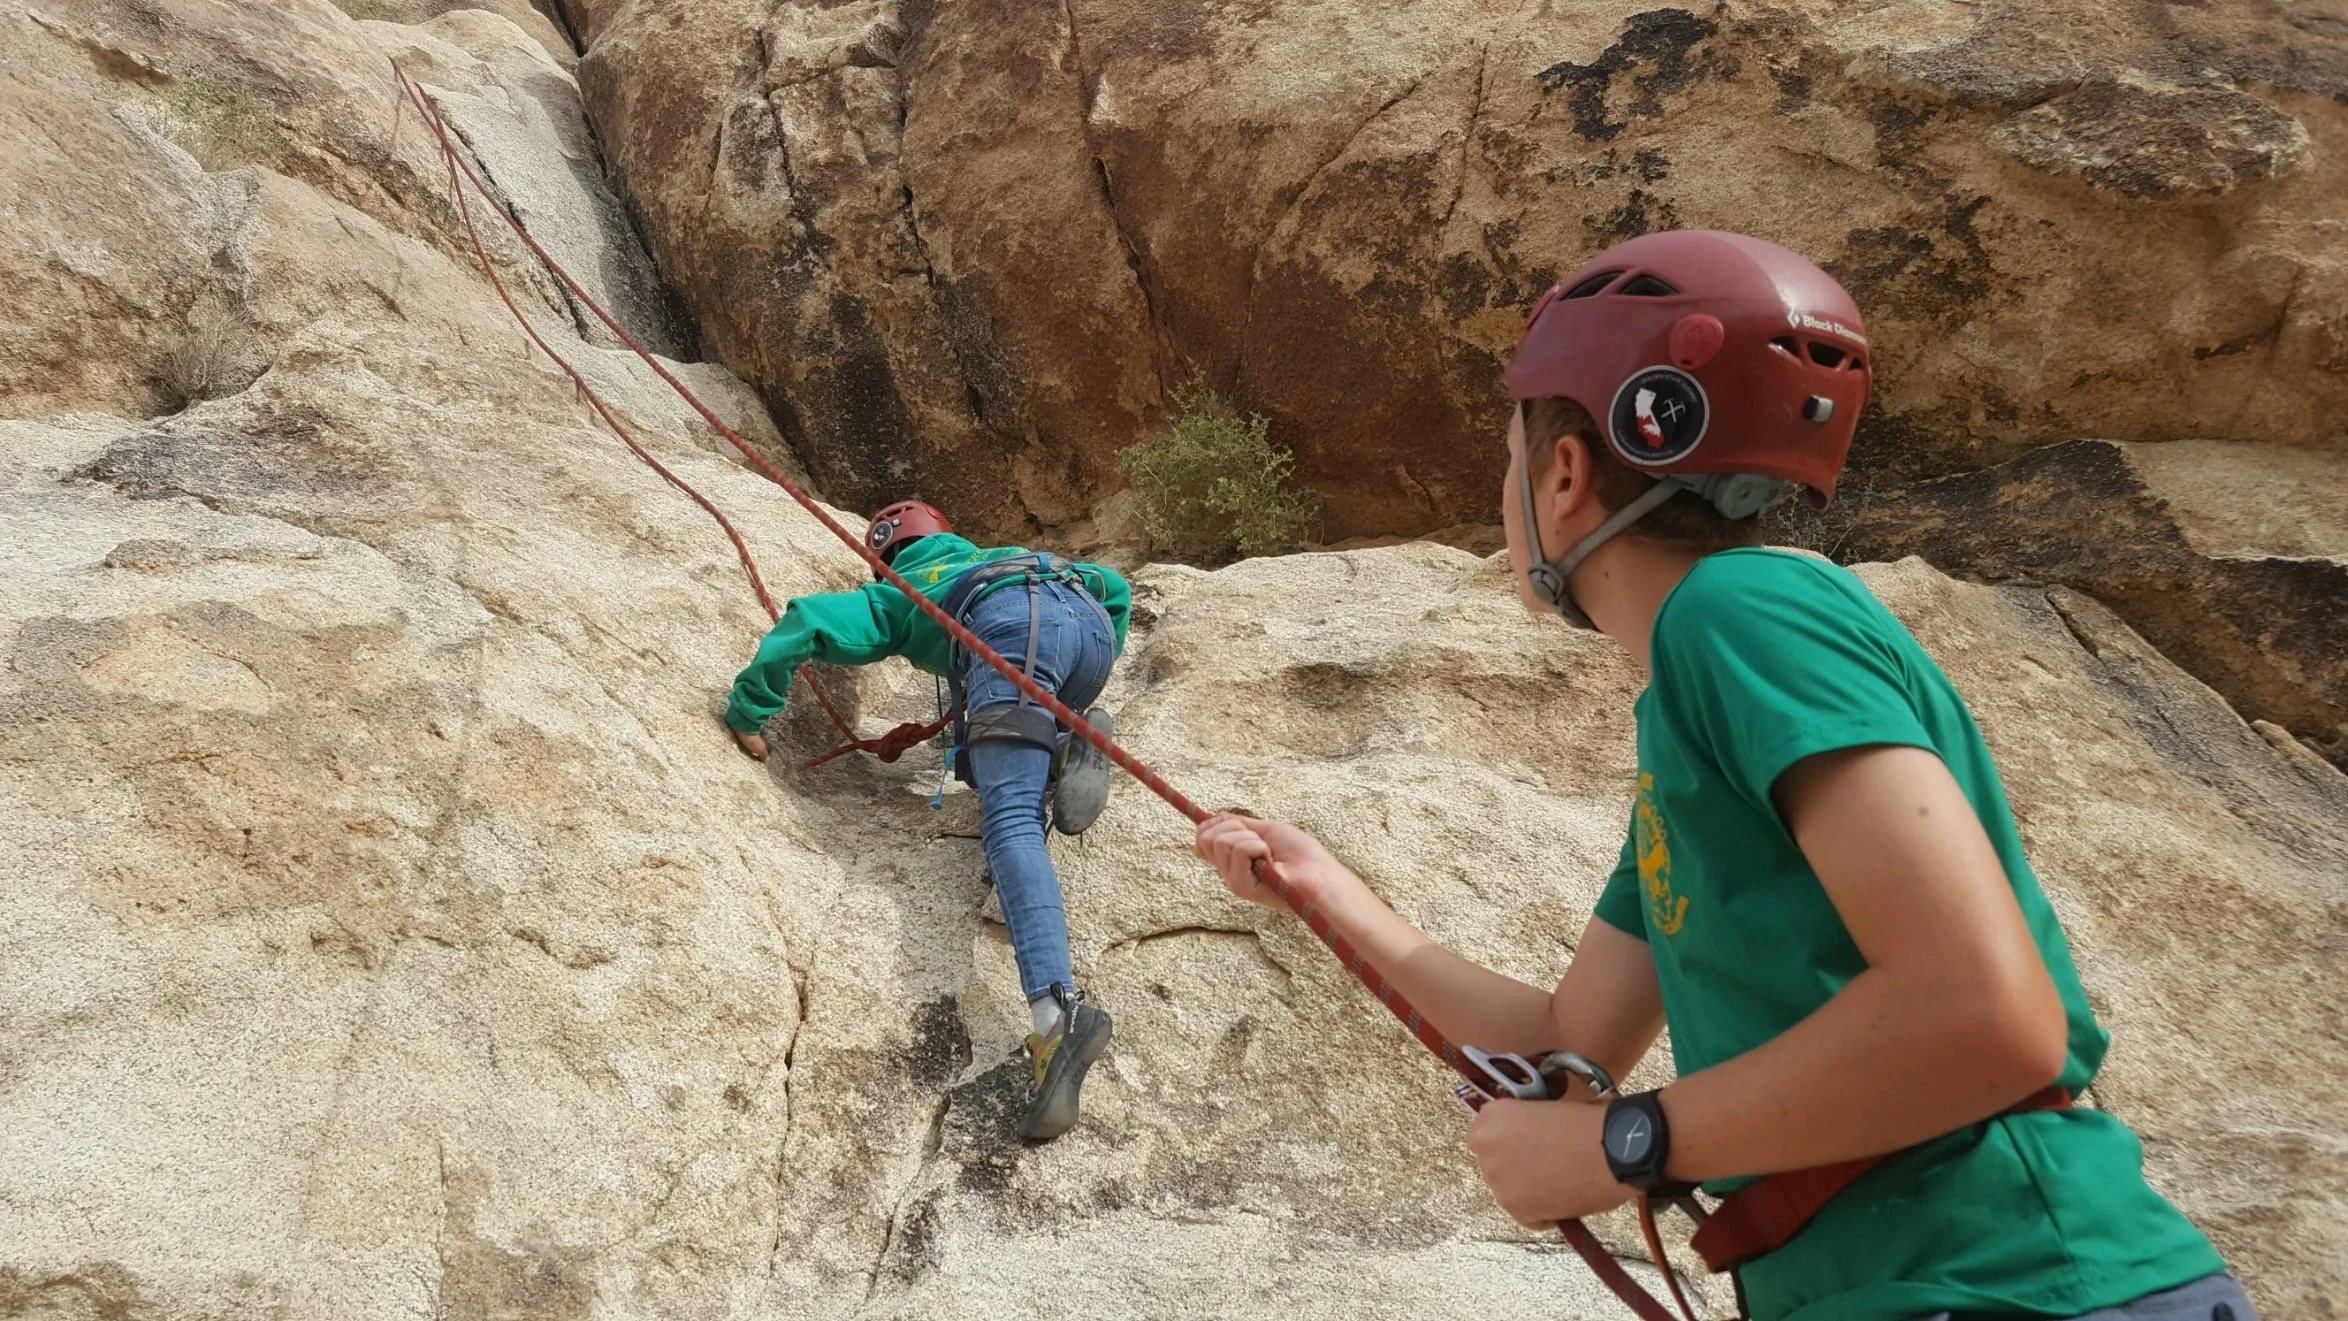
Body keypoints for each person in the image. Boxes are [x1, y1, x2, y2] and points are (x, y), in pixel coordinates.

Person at [1194, 232, 2255, 1320]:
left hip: (2010, 1279)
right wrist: (1324, 892)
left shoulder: (1737, 613)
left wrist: (1626, 1143)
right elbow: (1566, 1043)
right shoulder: (1687, 716)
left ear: (1562, 475)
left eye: (1508, 453)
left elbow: (1983, 1012)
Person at [726, 500, 1130, 1141]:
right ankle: (1066, 736)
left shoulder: (903, 592)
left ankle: (1058, 1017)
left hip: (1004, 632)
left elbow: (807, 621)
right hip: (1084, 631)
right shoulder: (990, 555)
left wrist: (749, 711)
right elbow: (1114, 589)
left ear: (884, 561)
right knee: (984, 752)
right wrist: (1087, 666)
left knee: (1012, 821)